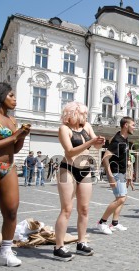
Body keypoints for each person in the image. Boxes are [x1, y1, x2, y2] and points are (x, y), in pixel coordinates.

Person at [53, 102, 105, 261]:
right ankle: (59, 246)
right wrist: (90, 142)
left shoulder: (87, 126)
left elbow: (95, 148)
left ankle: (81, 242)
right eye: (83, 114)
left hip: (85, 169)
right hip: (67, 170)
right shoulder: (64, 129)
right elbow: (69, 151)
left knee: (84, 209)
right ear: (73, 114)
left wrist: (98, 143)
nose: (86, 117)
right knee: (66, 209)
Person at [0, 82, 30, 266]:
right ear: (0, 96)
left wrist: (21, 137)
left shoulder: (12, 120)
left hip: (9, 166)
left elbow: (14, 149)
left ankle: (5, 252)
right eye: (11, 95)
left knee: (12, 211)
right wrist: (14, 136)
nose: (15, 99)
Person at [97, 116, 135, 234]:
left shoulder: (125, 139)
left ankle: (114, 223)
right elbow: (105, 158)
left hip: (122, 173)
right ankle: (101, 222)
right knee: (120, 198)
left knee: (122, 199)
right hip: (116, 173)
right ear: (126, 125)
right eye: (133, 125)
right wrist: (110, 177)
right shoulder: (117, 140)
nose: (134, 127)